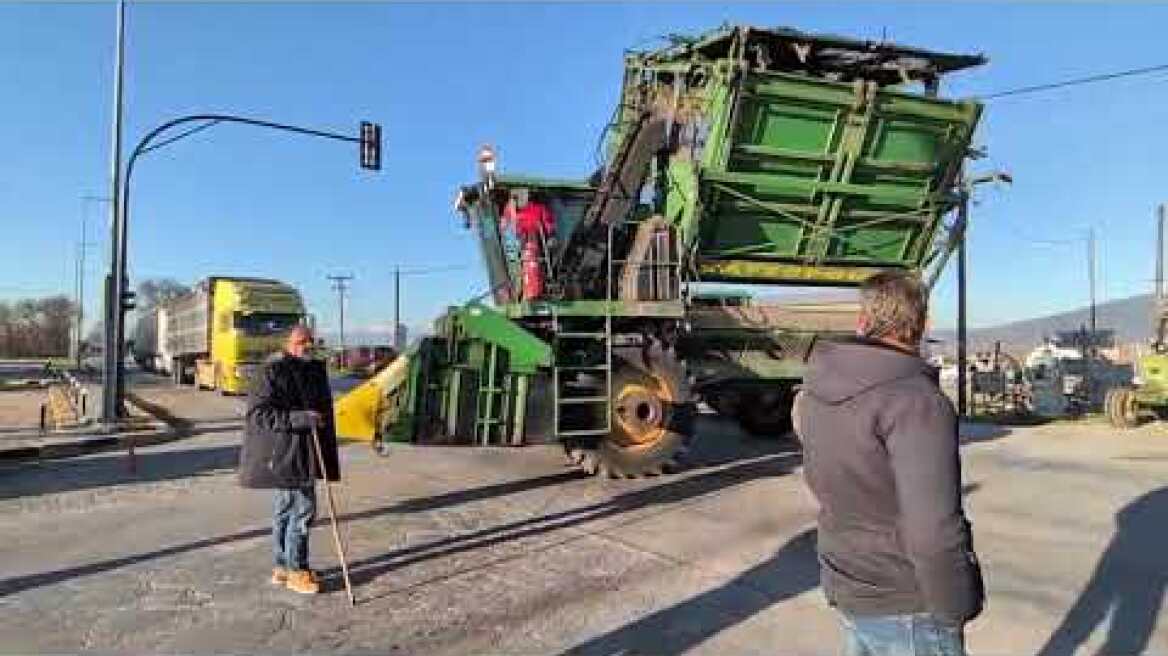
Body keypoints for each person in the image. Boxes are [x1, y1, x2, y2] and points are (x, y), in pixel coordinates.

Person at [794, 270, 984, 655]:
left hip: (847, 583)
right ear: (923, 324)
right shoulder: (916, 402)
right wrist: (956, 605)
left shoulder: (813, 391)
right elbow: (933, 529)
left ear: (862, 322)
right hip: (908, 603)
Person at [238, 325, 340, 595]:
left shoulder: (313, 370)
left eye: (309, 341)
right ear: (287, 343)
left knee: (285, 509)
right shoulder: (271, 372)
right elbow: (258, 415)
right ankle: (297, 570)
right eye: (300, 342)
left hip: (307, 450)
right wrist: (302, 418)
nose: (306, 346)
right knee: (303, 511)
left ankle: (283, 566)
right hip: (287, 453)